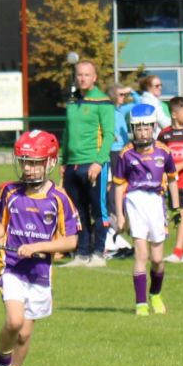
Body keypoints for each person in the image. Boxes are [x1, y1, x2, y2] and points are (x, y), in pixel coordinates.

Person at [0, 131, 80, 366]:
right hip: (12, 267)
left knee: (25, 333)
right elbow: (2, 225)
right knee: (14, 321)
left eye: (35, 162)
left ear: (49, 163)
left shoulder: (59, 199)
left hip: (39, 273)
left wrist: (40, 248)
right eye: (24, 162)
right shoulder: (9, 191)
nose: (28, 169)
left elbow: (72, 240)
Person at [112, 105, 179, 316]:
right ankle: (140, 303)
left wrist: (175, 208)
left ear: (153, 128)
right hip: (135, 203)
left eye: (146, 128)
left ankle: (155, 294)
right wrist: (121, 215)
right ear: (133, 129)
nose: (142, 132)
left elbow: (172, 180)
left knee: (158, 259)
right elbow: (119, 185)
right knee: (141, 254)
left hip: (156, 203)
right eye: (138, 128)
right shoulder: (126, 154)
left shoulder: (164, 152)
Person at [61, 60, 113, 267]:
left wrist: (98, 162)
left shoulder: (103, 102)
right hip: (72, 165)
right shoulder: (72, 102)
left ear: (95, 78)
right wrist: (64, 161)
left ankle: (99, 253)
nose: (82, 78)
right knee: (77, 211)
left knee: (98, 210)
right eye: (79, 74)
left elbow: (109, 135)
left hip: (93, 163)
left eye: (86, 75)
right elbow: (67, 133)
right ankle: (82, 254)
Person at [159, 96, 183, 262]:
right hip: (173, 183)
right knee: (180, 215)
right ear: (174, 114)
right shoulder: (164, 135)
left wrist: (178, 167)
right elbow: (160, 156)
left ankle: (177, 251)